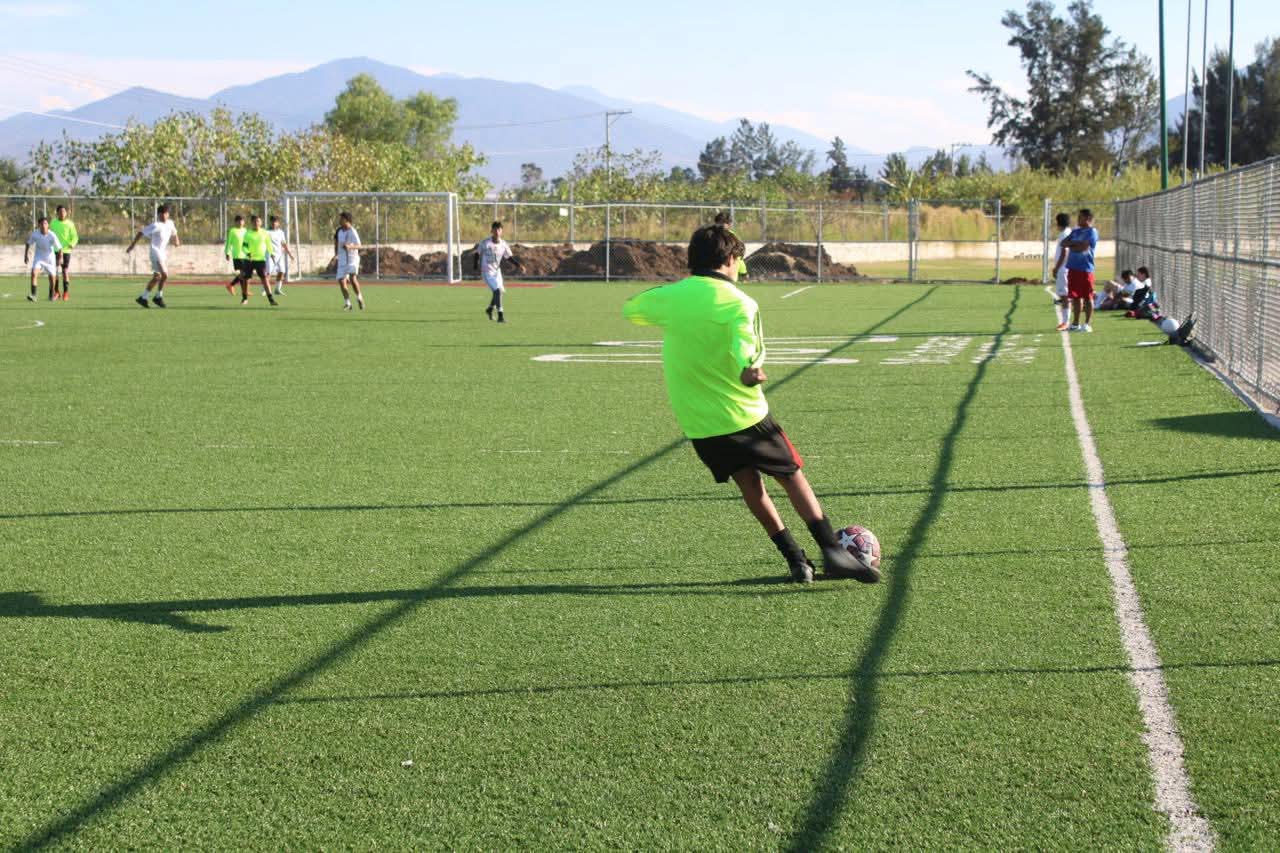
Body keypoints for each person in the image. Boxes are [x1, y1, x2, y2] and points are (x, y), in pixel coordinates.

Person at [622, 224, 878, 585]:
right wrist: (749, 370)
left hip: (699, 423)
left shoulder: (672, 297)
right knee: (791, 475)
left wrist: (674, 295)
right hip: (745, 415)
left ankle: (796, 561)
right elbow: (746, 348)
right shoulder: (740, 302)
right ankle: (832, 551)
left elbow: (633, 308)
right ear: (730, 259)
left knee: (751, 487)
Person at [125, 204, 179, 308]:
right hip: (155, 252)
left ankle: (143, 298)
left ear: (168, 214)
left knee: (157, 277)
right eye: (161, 214)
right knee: (165, 274)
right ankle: (158, 297)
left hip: (162, 253)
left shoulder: (170, 223)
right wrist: (132, 245)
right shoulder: (156, 225)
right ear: (158, 215)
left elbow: (174, 232)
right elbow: (141, 233)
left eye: (165, 213)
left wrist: (177, 240)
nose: (164, 216)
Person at [473, 221, 524, 323]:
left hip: (497, 272)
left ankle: (490, 309)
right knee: (498, 291)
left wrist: (519, 265)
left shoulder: (503, 244)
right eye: (495, 229)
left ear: (501, 231)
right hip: (487, 272)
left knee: (500, 292)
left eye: (499, 229)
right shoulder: (485, 242)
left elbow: (508, 257)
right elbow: (477, 253)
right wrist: (475, 265)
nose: (497, 231)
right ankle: (500, 316)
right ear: (491, 231)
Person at [1061, 208, 1099, 332]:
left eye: (1080, 217)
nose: (1078, 219)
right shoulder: (1075, 231)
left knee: (1088, 297)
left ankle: (1087, 324)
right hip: (1073, 268)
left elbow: (1083, 248)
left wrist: (1073, 244)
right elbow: (1063, 243)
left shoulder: (1092, 231)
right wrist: (1076, 244)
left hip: (1085, 269)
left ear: (1088, 219)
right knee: (1075, 297)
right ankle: (1075, 323)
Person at [239, 215, 279, 307]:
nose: (256, 223)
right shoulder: (248, 234)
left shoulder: (264, 233)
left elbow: (268, 244)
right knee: (246, 279)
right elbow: (244, 247)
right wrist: (248, 253)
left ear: (261, 223)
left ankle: (271, 300)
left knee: (265, 279)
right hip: (249, 260)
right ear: (251, 223)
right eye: (254, 221)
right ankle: (244, 298)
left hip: (260, 260)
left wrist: (272, 253)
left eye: (258, 221)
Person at [23, 216, 62, 303]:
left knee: (52, 278)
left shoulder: (52, 235)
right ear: (39, 225)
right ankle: (34, 295)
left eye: (45, 223)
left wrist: (60, 258)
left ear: (48, 225)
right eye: (41, 224)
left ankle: (51, 295)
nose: (44, 225)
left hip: (50, 259)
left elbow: (59, 248)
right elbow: (28, 243)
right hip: (39, 257)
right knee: (34, 273)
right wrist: (25, 255)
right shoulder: (35, 234)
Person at [333, 212, 364, 311]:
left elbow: (359, 245)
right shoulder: (339, 231)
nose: (339, 220)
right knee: (341, 281)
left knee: (352, 278)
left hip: (352, 258)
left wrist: (350, 246)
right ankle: (348, 303)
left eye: (341, 219)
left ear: (346, 220)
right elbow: (336, 243)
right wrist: (336, 255)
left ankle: (359, 297)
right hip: (342, 259)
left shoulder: (353, 231)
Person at [48, 205, 79, 301]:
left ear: (66, 213)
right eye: (60, 211)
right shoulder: (53, 222)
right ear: (57, 213)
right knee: (55, 271)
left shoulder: (70, 224)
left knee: (65, 271)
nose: (62, 213)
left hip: (66, 250)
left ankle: (66, 292)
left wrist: (72, 244)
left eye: (64, 211)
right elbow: (49, 234)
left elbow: (75, 236)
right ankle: (57, 292)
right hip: (55, 250)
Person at [1048, 212, 1071, 329]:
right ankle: (1066, 321)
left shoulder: (1064, 234)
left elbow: (1064, 252)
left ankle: (1066, 322)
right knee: (1064, 295)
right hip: (1065, 268)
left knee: (1064, 296)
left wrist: (1056, 268)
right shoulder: (1067, 232)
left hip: (1063, 268)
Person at [714, 210, 750, 282]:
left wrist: (743, 272)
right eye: (719, 223)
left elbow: (738, 256)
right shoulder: (710, 236)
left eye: (723, 223)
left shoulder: (732, 237)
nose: (721, 225)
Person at [267, 215, 293, 296]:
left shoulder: (281, 232)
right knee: (268, 273)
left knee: (282, 271)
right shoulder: (267, 232)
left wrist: (289, 253)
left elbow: (283, 243)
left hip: (279, 255)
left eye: (276, 222)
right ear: (270, 222)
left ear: (278, 223)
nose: (274, 223)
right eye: (272, 222)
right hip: (270, 255)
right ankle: (265, 289)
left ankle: (277, 289)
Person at [224, 214, 248, 297]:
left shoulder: (245, 230)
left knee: (243, 273)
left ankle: (240, 289)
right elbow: (229, 243)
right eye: (239, 221)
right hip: (237, 255)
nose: (241, 222)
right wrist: (227, 253)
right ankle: (232, 285)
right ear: (236, 222)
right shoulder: (232, 231)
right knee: (244, 273)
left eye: (242, 221)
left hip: (245, 255)